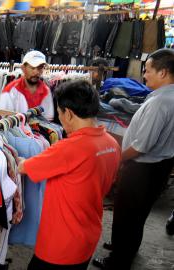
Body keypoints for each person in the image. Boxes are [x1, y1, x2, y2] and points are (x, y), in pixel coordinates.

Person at [18, 80, 121, 270]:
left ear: (69, 113)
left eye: (59, 114)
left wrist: (9, 154)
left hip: (60, 245)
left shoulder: (68, 148)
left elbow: (24, 167)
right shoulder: (112, 144)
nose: (60, 120)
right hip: (88, 236)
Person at [94, 48, 174, 270]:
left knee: (128, 214)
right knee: (136, 214)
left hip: (143, 168)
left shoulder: (160, 103)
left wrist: (118, 158)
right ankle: (124, 246)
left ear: (163, 72)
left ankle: (118, 261)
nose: (144, 75)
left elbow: (141, 146)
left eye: (147, 71)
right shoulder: (167, 97)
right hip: (158, 167)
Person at [0, 51, 54, 120]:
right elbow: (4, 121)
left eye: (40, 68)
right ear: (23, 68)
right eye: (32, 68)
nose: (36, 72)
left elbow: (48, 119)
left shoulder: (46, 91)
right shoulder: (10, 91)